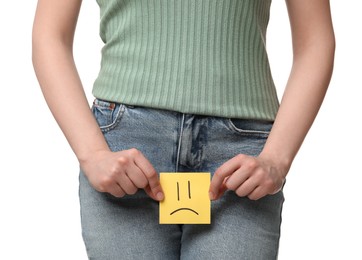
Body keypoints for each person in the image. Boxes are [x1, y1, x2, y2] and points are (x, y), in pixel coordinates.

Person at [32, 0, 335, 259]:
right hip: (124, 156)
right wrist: (93, 154)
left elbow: (316, 41)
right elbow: (49, 35)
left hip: (241, 165)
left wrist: (276, 159)